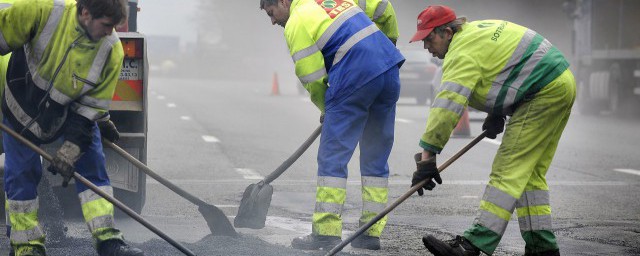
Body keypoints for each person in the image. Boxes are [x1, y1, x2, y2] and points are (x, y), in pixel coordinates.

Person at [408, 5, 575, 256]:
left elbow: (447, 106)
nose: (426, 46)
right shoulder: (473, 34)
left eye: (429, 38)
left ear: (446, 33)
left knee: (507, 170)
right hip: (558, 82)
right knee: (528, 174)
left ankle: (472, 245)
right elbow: (502, 68)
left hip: (542, 91)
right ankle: (543, 249)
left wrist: (427, 157)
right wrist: (496, 112)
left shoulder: (460, 52)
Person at [0, 0, 144, 255]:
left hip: (69, 111)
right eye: (107, 25)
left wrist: (72, 148)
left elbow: (88, 111)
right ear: (85, 13)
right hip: (21, 105)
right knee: (22, 175)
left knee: (93, 163)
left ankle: (108, 240)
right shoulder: (40, 11)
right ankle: (26, 245)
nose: (111, 33)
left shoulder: (112, 51)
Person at [260, 0, 404, 251]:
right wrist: (388, 42)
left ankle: (326, 233)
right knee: (375, 157)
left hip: (354, 74)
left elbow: (313, 77)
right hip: (388, 70)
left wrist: (328, 108)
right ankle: (370, 233)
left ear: (284, 1)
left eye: (272, 13)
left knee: (332, 159)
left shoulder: (296, 21)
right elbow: (383, 7)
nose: (273, 21)